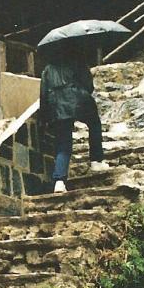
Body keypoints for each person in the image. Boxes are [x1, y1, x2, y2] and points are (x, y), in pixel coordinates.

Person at [39, 46, 109, 193]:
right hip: (77, 100)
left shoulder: (48, 68)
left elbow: (43, 94)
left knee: (63, 142)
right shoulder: (77, 61)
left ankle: (59, 181)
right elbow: (89, 86)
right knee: (94, 123)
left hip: (56, 106)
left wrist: (44, 118)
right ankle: (96, 161)